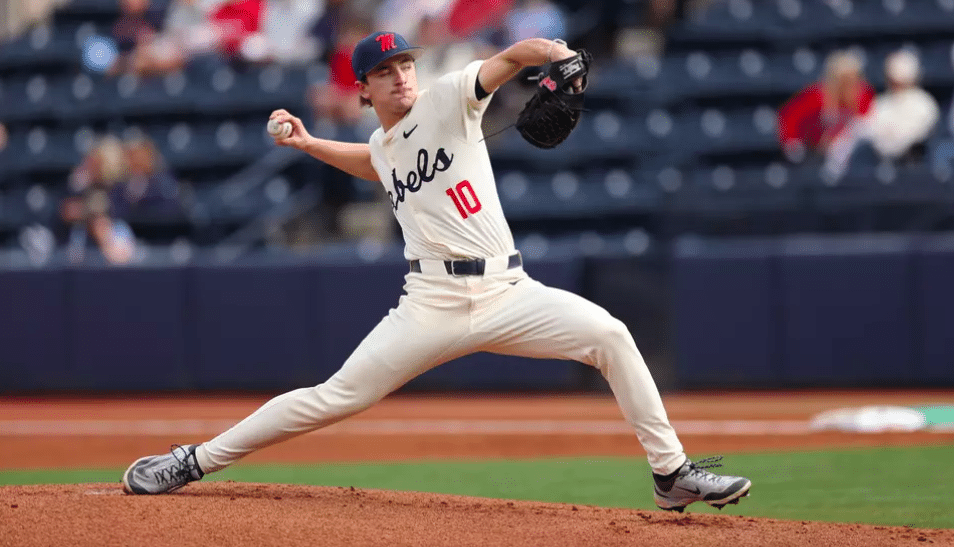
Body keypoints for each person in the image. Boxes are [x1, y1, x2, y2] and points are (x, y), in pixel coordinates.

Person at [121, 31, 752, 513]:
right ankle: (193, 460)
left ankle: (670, 475)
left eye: (405, 65)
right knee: (334, 398)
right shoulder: (383, 143)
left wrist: (560, 54)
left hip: (510, 290)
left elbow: (514, 56)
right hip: (431, 300)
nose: (400, 76)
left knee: (611, 335)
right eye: (383, 71)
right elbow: (376, 162)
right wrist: (309, 144)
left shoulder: (450, 96)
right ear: (362, 91)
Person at [778, 49, 875, 163]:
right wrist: (793, 142)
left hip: (853, 154)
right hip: (817, 154)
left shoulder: (865, 95)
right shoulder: (817, 96)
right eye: (844, 80)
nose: (848, 84)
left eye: (852, 78)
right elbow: (790, 117)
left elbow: (868, 125)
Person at [861, 49, 940, 163]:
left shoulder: (924, 103)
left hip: (912, 163)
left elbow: (914, 137)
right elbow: (870, 133)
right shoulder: (880, 103)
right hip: (879, 162)